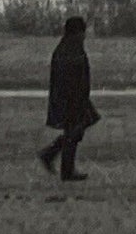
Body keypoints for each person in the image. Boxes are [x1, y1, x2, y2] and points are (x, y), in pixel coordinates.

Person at [38, 14, 99, 181]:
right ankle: (60, 163)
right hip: (72, 99)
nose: (85, 35)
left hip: (72, 97)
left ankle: (54, 157)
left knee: (75, 130)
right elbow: (73, 78)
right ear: (77, 32)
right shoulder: (71, 49)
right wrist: (78, 100)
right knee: (74, 131)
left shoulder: (68, 46)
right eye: (83, 31)